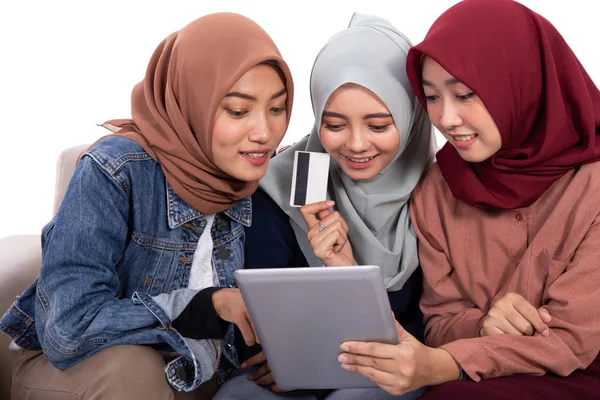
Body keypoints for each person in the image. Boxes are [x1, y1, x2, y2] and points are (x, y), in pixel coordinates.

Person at [0, 12, 294, 400]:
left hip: (190, 369)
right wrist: (201, 307)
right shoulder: (115, 171)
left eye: (277, 108)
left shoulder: (264, 178)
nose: (265, 133)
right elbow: (68, 329)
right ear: (192, 103)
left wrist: (288, 356)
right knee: (134, 369)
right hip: (80, 371)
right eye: (238, 111)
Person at [335, 1, 600, 398]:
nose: (446, 118)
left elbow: (571, 338)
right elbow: (439, 322)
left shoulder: (592, 184)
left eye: (465, 94)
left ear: (522, 83)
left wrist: (449, 362)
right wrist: (482, 327)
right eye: (433, 97)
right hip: (480, 376)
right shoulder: (437, 189)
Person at [213, 13, 435, 400]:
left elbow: (436, 331)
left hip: (392, 373)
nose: (357, 144)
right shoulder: (286, 183)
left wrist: (345, 272)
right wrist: (288, 356)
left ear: (411, 115)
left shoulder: (438, 195)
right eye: (334, 124)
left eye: (379, 125)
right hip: (292, 379)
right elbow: (258, 323)